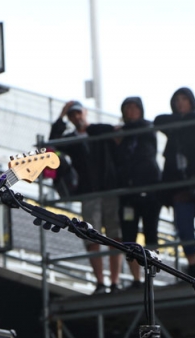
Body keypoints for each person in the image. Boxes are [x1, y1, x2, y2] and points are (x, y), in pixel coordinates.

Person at [49, 100, 122, 293]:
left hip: (109, 190)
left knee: (116, 235)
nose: (76, 117)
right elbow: (51, 144)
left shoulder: (99, 130)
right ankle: (101, 282)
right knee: (91, 237)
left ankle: (115, 282)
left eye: (78, 113)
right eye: (72, 115)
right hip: (88, 192)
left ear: (85, 112)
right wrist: (61, 116)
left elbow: (118, 135)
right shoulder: (71, 139)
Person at [155, 88, 195, 277]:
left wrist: (192, 119)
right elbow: (158, 120)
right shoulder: (172, 124)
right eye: (177, 100)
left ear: (191, 101)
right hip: (180, 184)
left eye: (184, 99)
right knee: (184, 227)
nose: (180, 103)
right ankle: (193, 265)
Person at [114, 96, 162, 289]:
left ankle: (152, 276)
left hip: (150, 192)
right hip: (128, 194)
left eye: (134, 108)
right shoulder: (121, 136)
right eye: (127, 108)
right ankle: (136, 279)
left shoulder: (146, 128)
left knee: (151, 234)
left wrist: (122, 131)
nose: (131, 111)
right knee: (128, 237)